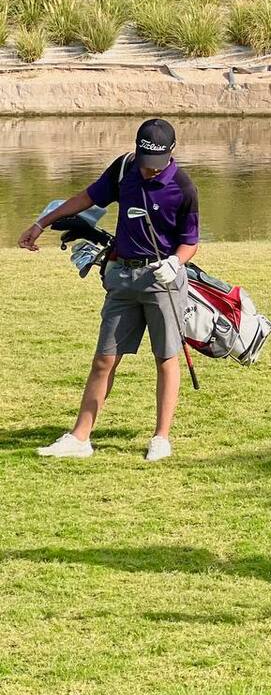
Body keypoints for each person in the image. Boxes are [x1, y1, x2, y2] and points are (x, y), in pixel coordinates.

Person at [18, 118, 200, 462]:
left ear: (171, 154)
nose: (149, 171)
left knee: (165, 358)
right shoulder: (124, 169)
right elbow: (86, 197)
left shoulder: (184, 188)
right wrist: (42, 223)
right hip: (123, 279)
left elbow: (190, 242)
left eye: (156, 165)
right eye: (145, 162)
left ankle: (161, 438)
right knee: (104, 359)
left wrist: (175, 263)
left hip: (163, 281)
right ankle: (80, 437)